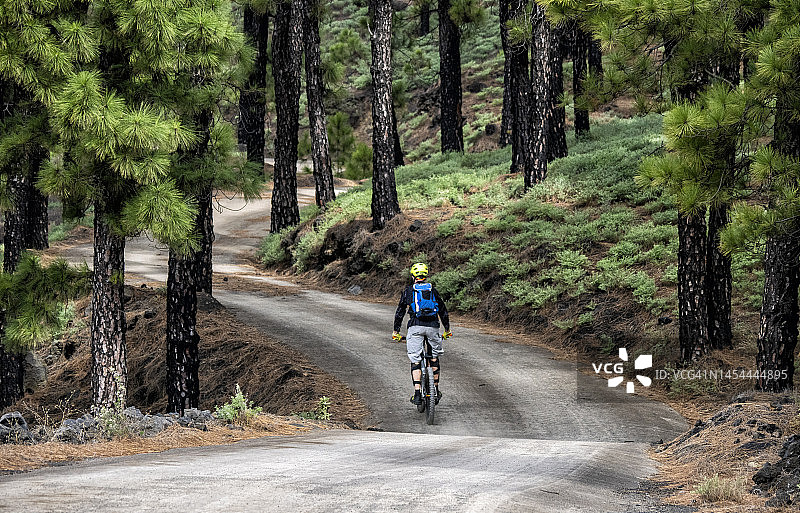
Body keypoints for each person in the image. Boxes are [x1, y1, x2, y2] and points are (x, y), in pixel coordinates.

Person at [392, 262, 452, 406]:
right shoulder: (432, 290)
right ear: (426, 276)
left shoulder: (409, 290)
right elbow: (443, 311)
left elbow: (400, 311)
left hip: (415, 327)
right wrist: (447, 329)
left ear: (412, 276)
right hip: (433, 327)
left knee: (416, 360)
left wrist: (396, 331)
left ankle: (418, 393)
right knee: (434, 358)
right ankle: (435, 390)